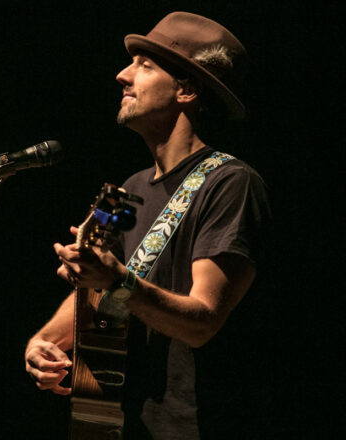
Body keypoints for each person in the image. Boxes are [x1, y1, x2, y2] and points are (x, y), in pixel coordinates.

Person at [25, 11, 271, 439]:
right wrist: (46, 341)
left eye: (144, 65)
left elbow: (202, 323)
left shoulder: (231, 182)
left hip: (191, 424)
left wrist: (117, 280)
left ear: (187, 89)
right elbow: (95, 283)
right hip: (119, 419)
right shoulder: (127, 190)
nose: (123, 75)